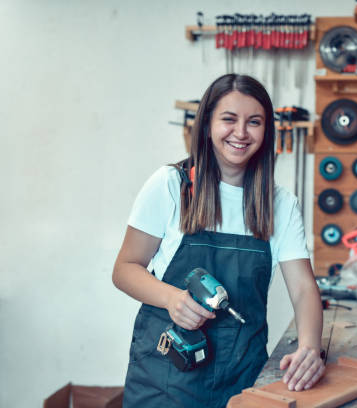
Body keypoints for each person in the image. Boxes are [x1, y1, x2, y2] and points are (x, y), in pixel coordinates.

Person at [112, 73, 324, 408]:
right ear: (208, 123)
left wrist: (310, 348)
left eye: (254, 122)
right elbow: (124, 269)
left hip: (242, 378)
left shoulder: (280, 205)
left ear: (266, 131)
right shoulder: (170, 185)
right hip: (166, 380)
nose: (240, 133)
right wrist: (171, 299)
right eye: (229, 119)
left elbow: (303, 288)